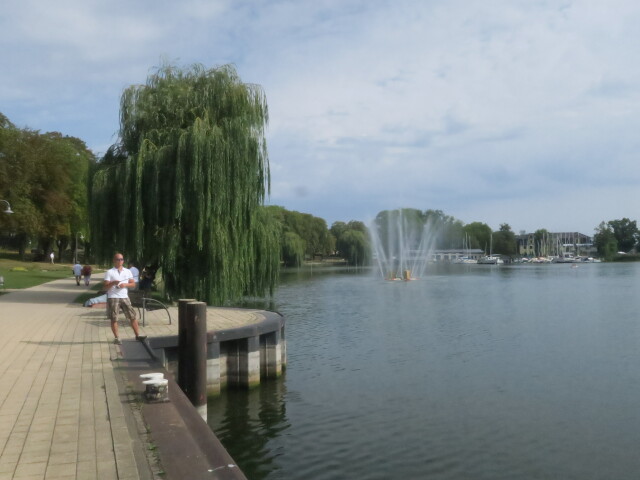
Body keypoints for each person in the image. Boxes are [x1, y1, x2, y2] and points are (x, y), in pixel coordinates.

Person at [104, 253, 146, 345]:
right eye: (118, 259)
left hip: (124, 297)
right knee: (114, 318)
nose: (120, 261)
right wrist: (113, 283)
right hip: (113, 297)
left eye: (121, 259)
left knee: (132, 316)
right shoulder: (110, 272)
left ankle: (138, 335)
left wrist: (125, 284)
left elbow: (133, 284)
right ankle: (117, 338)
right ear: (114, 261)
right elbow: (105, 287)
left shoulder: (127, 271)